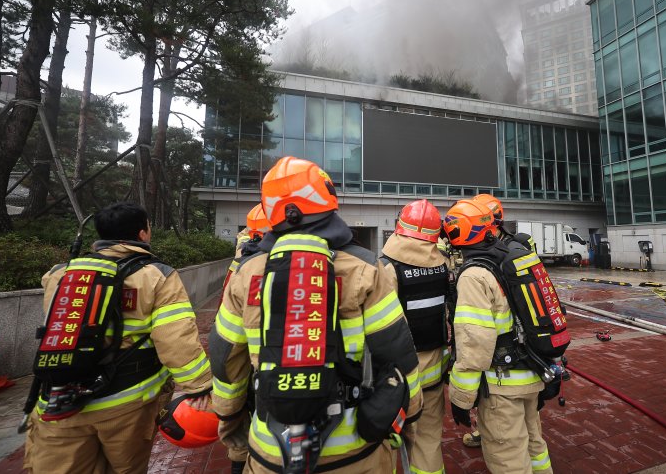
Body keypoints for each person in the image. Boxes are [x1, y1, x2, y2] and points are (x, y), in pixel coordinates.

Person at [210, 156, 422, 473]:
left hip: (271, 449)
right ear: (326, 199)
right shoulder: (365, 268)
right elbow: (397, 351)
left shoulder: (247, 272)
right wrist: (411, 415)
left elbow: (226, 359)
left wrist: (230, 424)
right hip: (355, 452)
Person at [26, 202, 212, 473]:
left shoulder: (59, 274)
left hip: (59, 397)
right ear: (142, 233)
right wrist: (200, 386)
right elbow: (175, 338)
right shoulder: (156, 275)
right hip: (127, 400)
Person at [445, 199, 550, 474]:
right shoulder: (509, 256)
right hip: (531, 371)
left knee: (508, 458)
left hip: (502, 384)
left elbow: (474, 344)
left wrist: (461, 398)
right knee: (535, 447)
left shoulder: (474, 275)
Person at [381, 199, 450, 474]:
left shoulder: (388, 268)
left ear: (400, 225)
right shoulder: (443, 265)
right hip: (433, 373)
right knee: (428, 442)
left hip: (396, 377)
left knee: (385, 445)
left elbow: (381, 327)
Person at [217, 204, 271, 473]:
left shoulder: (240, 265)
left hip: (247, 374)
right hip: (274, 380)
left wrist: (227, 410)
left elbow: (226, 347)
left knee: (242, 442)